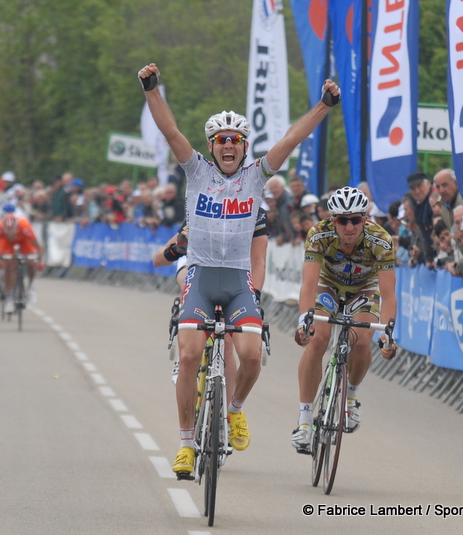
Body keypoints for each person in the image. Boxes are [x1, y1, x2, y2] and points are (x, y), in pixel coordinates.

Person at [138, 62, 340, 476]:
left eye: (236, 140)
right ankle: (186, 444)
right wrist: (151, 89)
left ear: (245, 146)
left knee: (251, 357)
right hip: (200, 275)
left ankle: (234, 411)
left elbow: (292, 138)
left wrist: (323, 105)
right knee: (191, 354)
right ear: (211, 146)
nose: (228, 145)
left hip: (236, 280)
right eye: (221, 140)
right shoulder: (196, 171)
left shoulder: (255, 176)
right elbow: (170, 132)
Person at [291, 186, 397, 454]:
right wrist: (305, 322)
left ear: (365, 218)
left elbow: (388, 294)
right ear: (332, 219)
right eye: (342, 220)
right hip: (327, 286)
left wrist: (387, 334)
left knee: (363, 340)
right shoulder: (319, 234)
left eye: (356, 220)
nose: (349, 227)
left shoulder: (381, 240)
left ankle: (351, 397)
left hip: (364, 290)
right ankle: (304, 421)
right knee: (317, 340)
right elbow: (308, 284)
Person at [0, 211, 44, 312]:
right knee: (9, 266)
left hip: (24, 241)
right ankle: (9, 297)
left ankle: (31, 286)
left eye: (13, 234)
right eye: (8, 234)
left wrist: (40, 261)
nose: (11, 236)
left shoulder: (25, 227)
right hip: (7, 244)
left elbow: (38, 247)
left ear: (17, 229)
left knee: (32, 262)